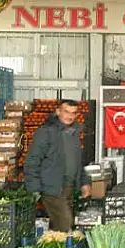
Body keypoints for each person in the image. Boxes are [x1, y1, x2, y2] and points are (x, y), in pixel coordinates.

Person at [24, 99, 91, 232]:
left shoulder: (73, 133)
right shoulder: (46, 132)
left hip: (69, 188)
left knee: (61, 226)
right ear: (58, 111)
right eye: (66, 112)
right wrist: (34, 189)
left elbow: (78, 161)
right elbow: (32, 160)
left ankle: (54, 243)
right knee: (65, 224)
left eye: (73, 113)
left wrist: (84, 182)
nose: (69, 116)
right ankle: (65, 244)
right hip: (52, 188)